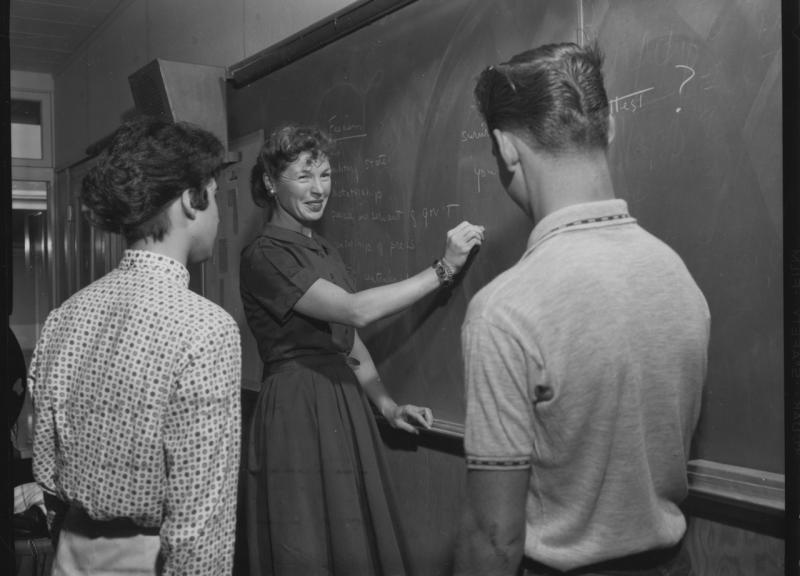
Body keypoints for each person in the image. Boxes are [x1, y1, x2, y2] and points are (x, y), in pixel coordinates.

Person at [454, 42, 710, 576]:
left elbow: (495, 539)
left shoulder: (505, 311)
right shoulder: (677, 276)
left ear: (504, 148)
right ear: (610, 127)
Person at [240, 124, 485, 576]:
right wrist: (444, 270)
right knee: (307, 544)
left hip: (341, 403)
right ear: (271, 183)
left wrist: (387, 406)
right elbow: (354, 312)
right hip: (297, 409)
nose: (319, 190)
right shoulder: (265, 254)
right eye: (303, 176)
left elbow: (347, 342)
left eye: (326, 175)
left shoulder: (322, 249)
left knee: (348, 545)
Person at [29, 117, 242, 575]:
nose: (219, 216)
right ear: (191, 200)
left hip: (70, 553)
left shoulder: (66, 315)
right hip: (147, 561)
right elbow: (200, 525)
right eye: (217, 199)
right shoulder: (206, 329)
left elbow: (46, 468)